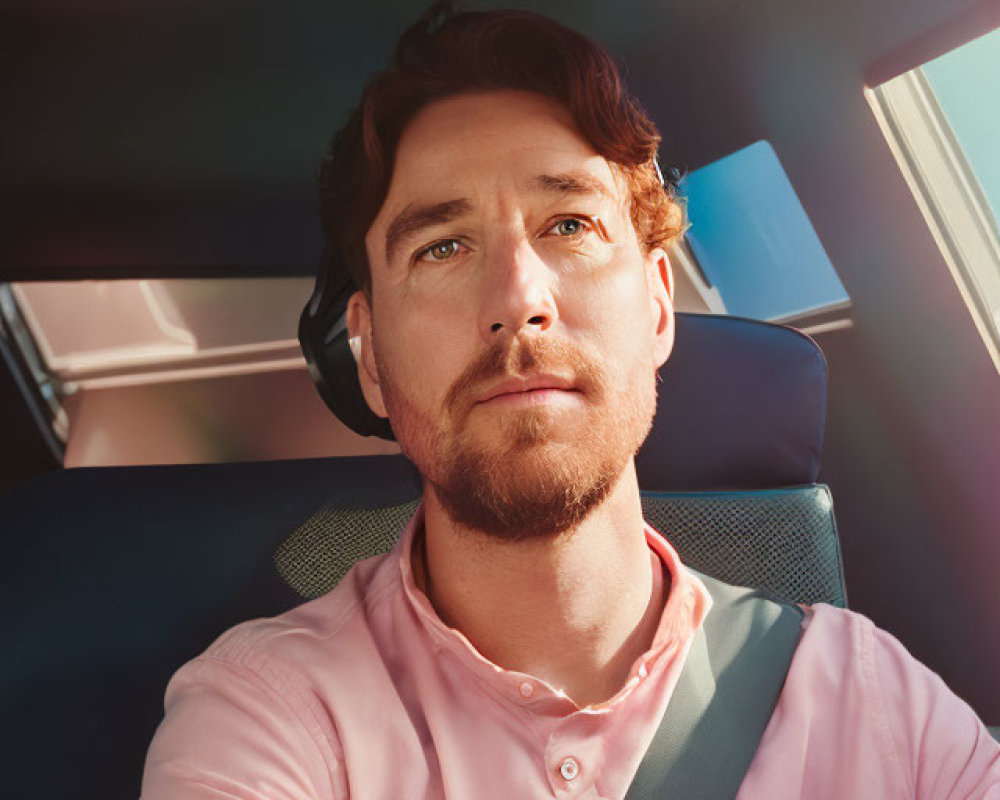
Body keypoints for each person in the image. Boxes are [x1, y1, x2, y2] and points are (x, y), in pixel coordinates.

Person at [141, 4, 1000, 798]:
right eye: (441, 247)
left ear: (659, 305)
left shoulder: (880, 707)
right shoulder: (269, 721)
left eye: (570, 227)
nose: (518, 297)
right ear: (367, 356)